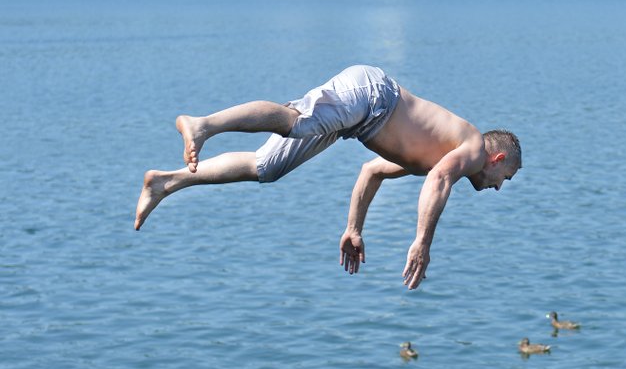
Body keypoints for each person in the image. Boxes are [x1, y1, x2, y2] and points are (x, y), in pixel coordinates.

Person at [134, 65, 522, 289]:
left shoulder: (442, 153)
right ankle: (203, 125)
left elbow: (371, 172)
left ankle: (167, 182)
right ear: (498, 157)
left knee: (266, 167)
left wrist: (354, 228)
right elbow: (438, 181)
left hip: (357, 121)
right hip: (373, 97)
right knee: (295, 122)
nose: (499, 186)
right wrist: (421, 243)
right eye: (506, 176)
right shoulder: (471, 147)